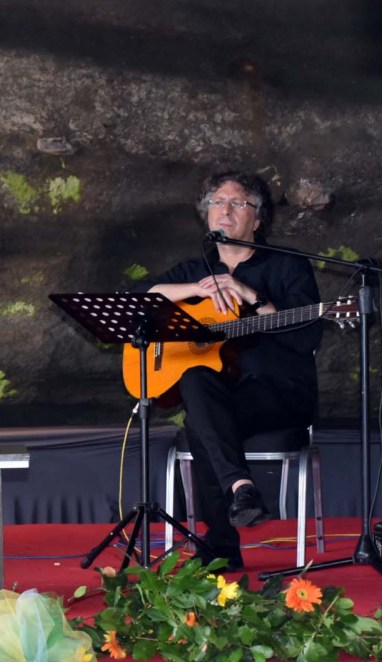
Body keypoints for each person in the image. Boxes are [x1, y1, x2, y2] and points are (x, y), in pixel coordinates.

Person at [133, 170, 322, 570]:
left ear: (258, 219)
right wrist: (197, 289)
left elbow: (307, 337)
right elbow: (141, 299)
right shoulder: (193, 270)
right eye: (217, 202)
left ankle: (221, 546)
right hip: (223, 397)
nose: (225, 210)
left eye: (238, 203)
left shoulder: (288, 266)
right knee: (196, 382)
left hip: (279, 393)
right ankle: (242, 489)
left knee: (202, 424)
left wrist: (252, 297)